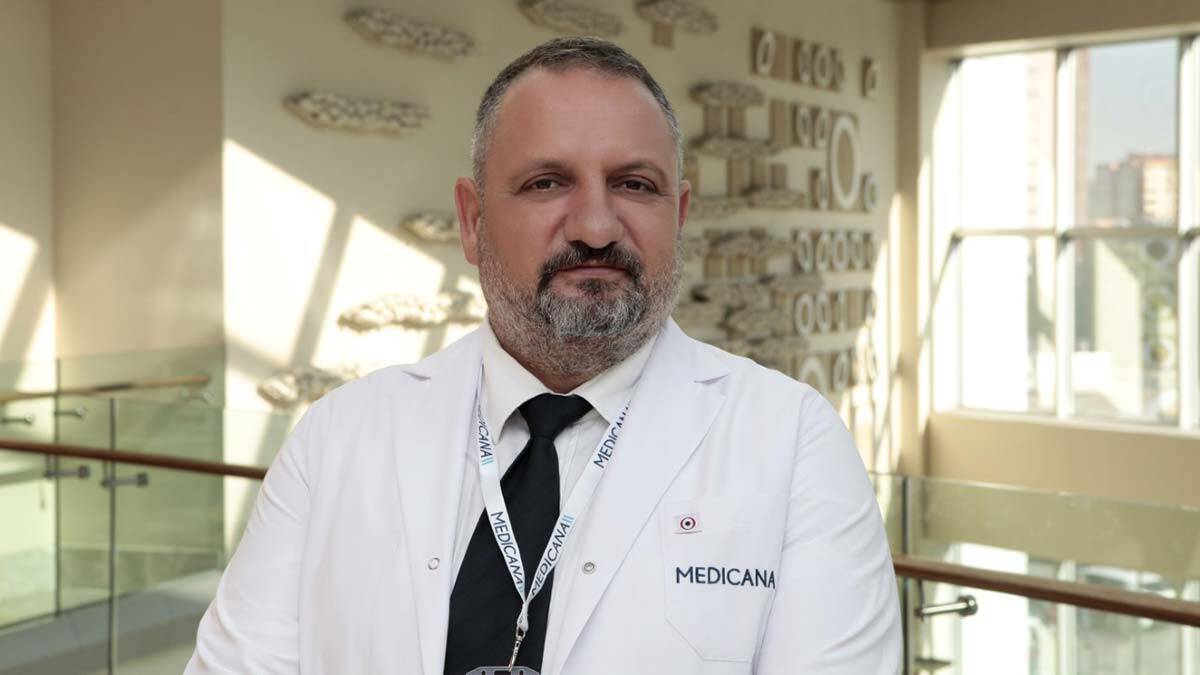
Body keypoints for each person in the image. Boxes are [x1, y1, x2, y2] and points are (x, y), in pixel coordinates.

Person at [186, 36, 900, 675]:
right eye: (547, 183)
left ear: (678, 217)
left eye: (635, 185)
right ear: (473, 222)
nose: (595, 226)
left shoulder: (794, 445)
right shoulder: (336, 441)